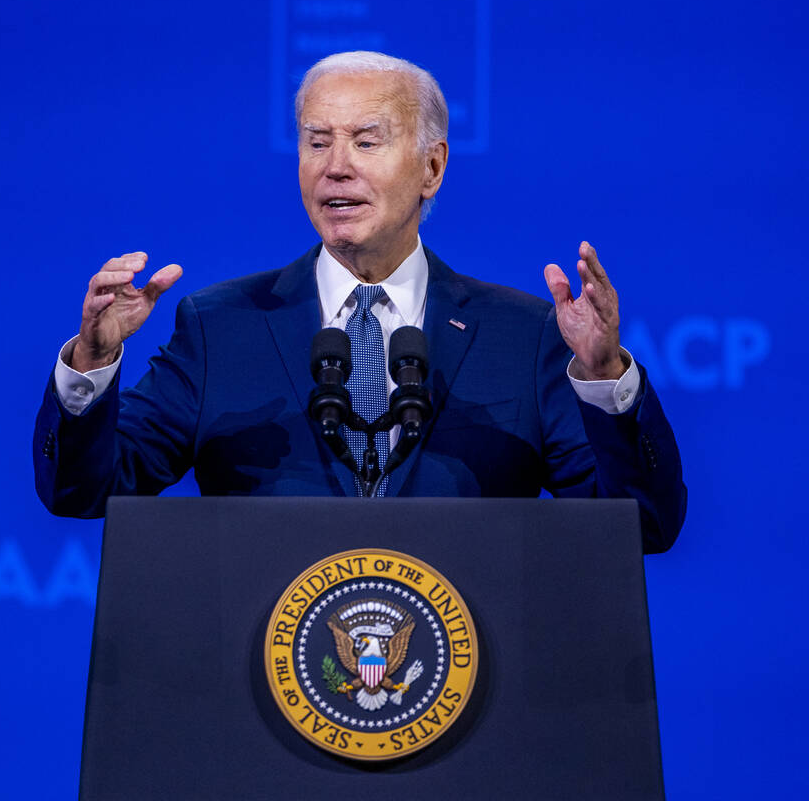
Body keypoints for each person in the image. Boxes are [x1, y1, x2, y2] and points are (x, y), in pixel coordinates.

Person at [33, 51, 685, 553]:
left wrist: (604, 379)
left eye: (366, 141)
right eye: (317, 141)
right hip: (262, 699)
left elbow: (640, 527)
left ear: (432, 167)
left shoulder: (523, 335)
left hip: (468, 697)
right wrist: (92, 359)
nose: (335, 166)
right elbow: (83, 491)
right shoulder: (220, 327)